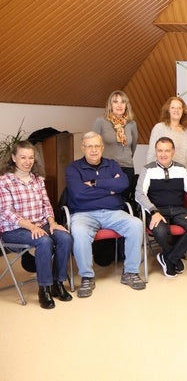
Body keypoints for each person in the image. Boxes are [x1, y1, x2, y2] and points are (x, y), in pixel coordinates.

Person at [66, 131, 145, 297]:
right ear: (83, 148)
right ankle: (87, 277)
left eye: (97, 146)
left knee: (136, 224)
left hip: (113, 212)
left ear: (102, 147)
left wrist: (95, 184)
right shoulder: (73, 168)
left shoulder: (112, 164)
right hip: (83, 214)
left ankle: (130, 272)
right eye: (89, 146)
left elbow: (123, 183)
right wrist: (109, 190)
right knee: (79, 232)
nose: (93, 150)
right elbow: (78, 193)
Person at [0, 141, 73, 309]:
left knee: (65, 237)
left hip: (41, 224)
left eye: (31, 157)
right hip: (14, 230)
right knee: (44, 241)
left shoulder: (38, 180)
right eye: (23, 157)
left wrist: (53, 223)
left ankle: (58, 283)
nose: (27, 161)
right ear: (13, 158)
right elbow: (6, 212)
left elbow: (46, 205)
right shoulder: (4, 182)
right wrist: (32, 227)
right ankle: (44, 289)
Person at [136, 137, 187, 277]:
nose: (163, 154)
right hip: (157, 211)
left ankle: (168, 258)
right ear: (155, 151)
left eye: (167, 150)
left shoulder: (181, 169)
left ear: (173, 152)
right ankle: (174, 258)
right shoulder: (148, 169)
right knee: (161, 232)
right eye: (160, 150)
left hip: (179, 209)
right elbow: (139, 194)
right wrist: (154, 211)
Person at [92, 90, 138, 203]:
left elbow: (133, 146)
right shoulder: (100, 122)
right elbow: (93, 145)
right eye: (115, 102)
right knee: (109, 200)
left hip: (127, 167)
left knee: (124, 201)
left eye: (123, 102)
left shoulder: (132, 124)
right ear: (110, 105)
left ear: (126, 105)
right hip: (107, 168)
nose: (119, 105)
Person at [146, 96, 187, 168]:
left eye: (179, 108)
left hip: (183, 173)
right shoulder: (159, 128)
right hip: (164, 174)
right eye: (173, 108)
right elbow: (151, 155)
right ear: (168, 110)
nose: (176, 110)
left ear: (183, 111)